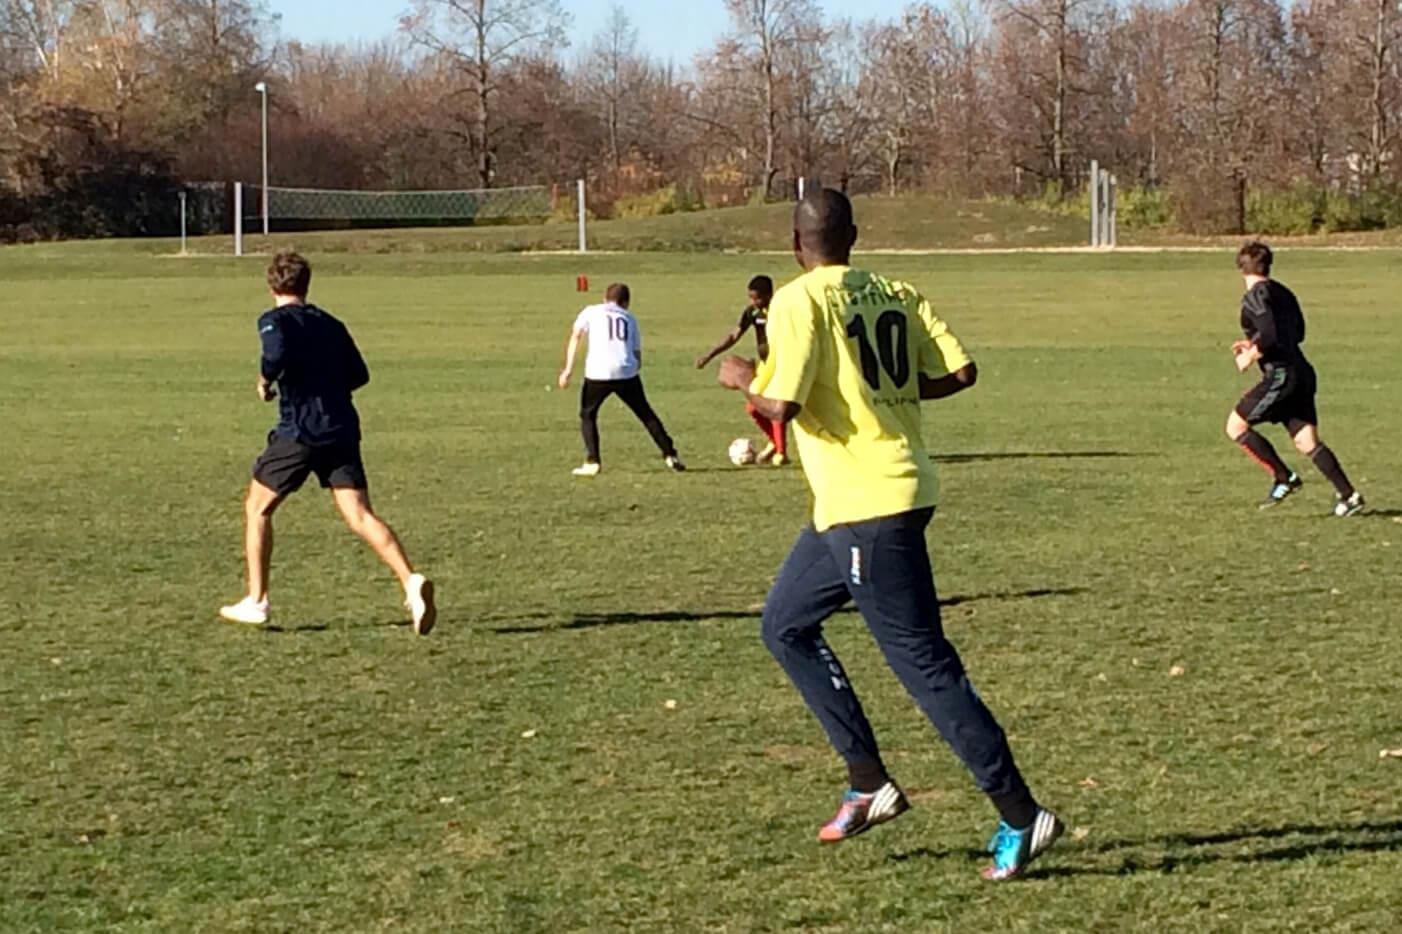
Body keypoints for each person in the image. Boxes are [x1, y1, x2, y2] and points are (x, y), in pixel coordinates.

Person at [717, 189, 1061, 881]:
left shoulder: (798, 299)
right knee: (784, 624)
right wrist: (882, 396)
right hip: (863, 500)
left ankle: (1022, 815)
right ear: (856, 236)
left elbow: (779, 402)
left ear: (795, 243)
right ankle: (868, 779)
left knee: (926, 668)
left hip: (868, 508)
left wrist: (741, 379)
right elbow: (960, 372)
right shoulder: (896, 289)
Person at [219, 251, 437, 634]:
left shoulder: (273, 321)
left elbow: (275, 354)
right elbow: (359, 374)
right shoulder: (331, 323)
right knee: (359, 515)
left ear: (271, 285)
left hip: (300, 430)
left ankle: (257, 600)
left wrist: (266, 379)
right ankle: (410, 581)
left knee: (257, 508)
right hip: (342, 428)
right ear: (306, 284)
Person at [1226, 241, 1364, 516]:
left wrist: (1252, 353)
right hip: (1301, 371)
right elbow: (1296, 333)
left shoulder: (1254, 295)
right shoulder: (1284, 293)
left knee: (1236, 426)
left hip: (1281, 374)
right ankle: (1349, 496)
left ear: (1241, 268)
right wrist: (1253, 342)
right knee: (1306, 442)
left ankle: (1283, 477)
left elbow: (1270, 333)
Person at [558, 283, 685, 476]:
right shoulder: (630, 318)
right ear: (625, 303)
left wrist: (568, 369)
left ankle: (592, 460)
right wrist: (632, 370)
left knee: (588, 415)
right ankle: (670, 454)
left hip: (598, 372)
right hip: (626, 371)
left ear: (604, 298)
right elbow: (637, 354)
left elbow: (576, 336)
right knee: (646, 414)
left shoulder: (590, 311)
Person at [695, 275, 788, 465]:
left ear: (770, 294)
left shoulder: (781, 311)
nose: (754, 302)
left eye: (758, 298)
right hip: (764, 365)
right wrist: (710, 354)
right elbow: (734, 335)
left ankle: (781, 453)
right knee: (754, 407)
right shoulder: (752, 313)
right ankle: (774, 443)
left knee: (773, 406)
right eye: (751, 298)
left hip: (781, 363)